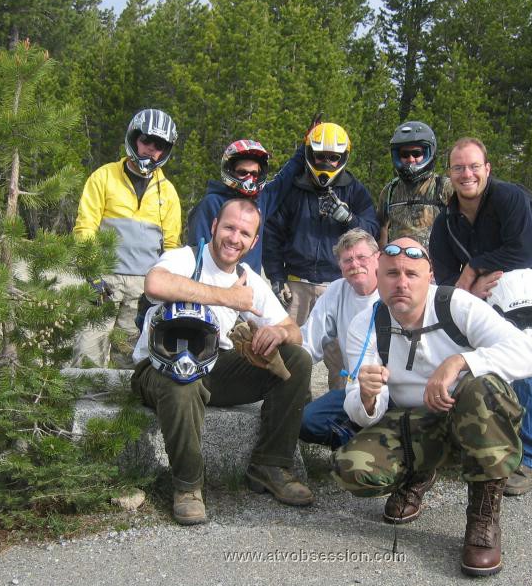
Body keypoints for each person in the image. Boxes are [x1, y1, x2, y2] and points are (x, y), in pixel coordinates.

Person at [332, 237, 532, 577]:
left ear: (429, 276)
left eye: (411, 274)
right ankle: (420, 471)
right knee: (353, 469)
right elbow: (361, 412)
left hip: (469, 415)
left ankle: (483, 517)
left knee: (483, 386)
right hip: (414, 421)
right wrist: (368, 396)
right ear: (378, 275)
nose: (401, 283)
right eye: (391, 274)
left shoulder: (456, 305)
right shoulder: (366, 324)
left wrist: (460, 361)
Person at [131, 198, 314, 525]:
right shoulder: (184, 258)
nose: (234, 238)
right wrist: (228, 298)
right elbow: (155, 285)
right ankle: (187, 485)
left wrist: (278, 333)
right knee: (181, 379)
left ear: (254, 241)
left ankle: (270, 465)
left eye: (245, 233)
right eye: (229, 227)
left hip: (215, 366)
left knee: (297, 360)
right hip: (159, 366)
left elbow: (295, 331)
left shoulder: (248, 278)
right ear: (214, 227)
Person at [428, 136, 532, 496]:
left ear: (487, 169)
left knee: (521, 362)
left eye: (472, 166)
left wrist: (475, 269)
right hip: (474, 303)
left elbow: (524, 250)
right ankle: (476, 441)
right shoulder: (445, 223)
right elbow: (446, 276)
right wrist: (468, 285)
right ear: (450, 173)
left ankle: (527, 456)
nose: (466, 174)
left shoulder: (509, 198)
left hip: (524, 300)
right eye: (458, 168)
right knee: (470, 365)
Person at [263, 122, 379, 389]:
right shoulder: (294, 189)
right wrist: (276, 276)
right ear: (309, 154)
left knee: (342, 359)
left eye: (333, 157)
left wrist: (349, 218)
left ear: (343, 157)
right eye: (320, 156)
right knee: (291, 352)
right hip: (296, 284)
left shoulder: (355, 190)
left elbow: (372, 232)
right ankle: (288, 408)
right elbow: (273, 234)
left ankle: (340, 413)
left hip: (338, 286)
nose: (326, 163)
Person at [71, 109, 182, 368]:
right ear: (133, 138)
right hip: (103, 281)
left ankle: (124, 407)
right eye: (146, 141)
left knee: (131, 360)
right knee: (88, 352)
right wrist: (92, 273)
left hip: (143, 289)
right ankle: (82, 407)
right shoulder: (103, 176)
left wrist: (164, 287)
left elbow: (171, 247)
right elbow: (85, 227)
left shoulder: (168, 191)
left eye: (160, 146)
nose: (151, 150)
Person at [298, 229, 380, 447]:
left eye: (361, 257)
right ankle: (356, 442)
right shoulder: (336, 290)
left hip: (395, 387)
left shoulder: (394, 288)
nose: (355, 264)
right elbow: (309, 341)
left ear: (377, 258)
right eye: (347, 260)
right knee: (306, 421)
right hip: (357, 388)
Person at [185, 137, 306, 274]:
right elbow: (197, 250)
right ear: (230, 171)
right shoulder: (211, 203)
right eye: (243, 173)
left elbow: (286, 176)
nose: (249, 178)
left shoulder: (262, 199)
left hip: (249, 284)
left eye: (254, 174)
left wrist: (305, 146)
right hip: (215, 283)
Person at [377, 121, 452, 248]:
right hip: (399, 262)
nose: (411, 159)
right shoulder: (390, 191)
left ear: (428, 153)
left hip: (436, 264)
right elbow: (381, 230)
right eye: (404, 154)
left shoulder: (444, 187)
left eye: (417, 154)